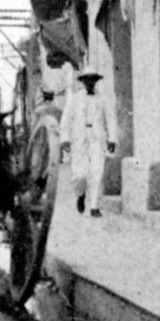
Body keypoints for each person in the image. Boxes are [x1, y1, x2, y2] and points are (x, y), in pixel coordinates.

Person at [59, 69, 116, 217]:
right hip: (79, 138)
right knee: (80, 174)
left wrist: (112, 138)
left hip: (97, 138)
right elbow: (66, 119)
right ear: (83, 81)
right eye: (87, 79)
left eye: (93, 79)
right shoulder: (75, 98)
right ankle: (81, 194)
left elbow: (110, 118)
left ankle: (94, 206)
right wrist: (64, 138)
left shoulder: (103, 98)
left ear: (96, 81)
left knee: (97, 171)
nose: (90, 82)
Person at [27, 89, 63, 197]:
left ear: (43, 97)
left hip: (41, 142)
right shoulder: (58, 111)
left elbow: (34, 128)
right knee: (49, 168)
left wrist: (30, 143)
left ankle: (36, 192)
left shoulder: (38, 111)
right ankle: (43, 190)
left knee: (37, 166)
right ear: (52, 98)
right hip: (54, 143)